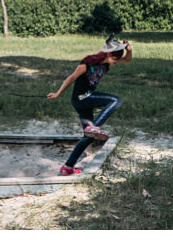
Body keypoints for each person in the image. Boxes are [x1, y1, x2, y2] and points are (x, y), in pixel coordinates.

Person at [47, 36, 132, 175]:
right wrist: (58, 93)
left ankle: (67, 167)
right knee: (116, 100)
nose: (116, 62)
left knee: (89, 136)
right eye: (115, 59)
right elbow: (72, 77)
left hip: (84, 99)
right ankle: (95, 127)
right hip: (81, 99)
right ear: (109, 54)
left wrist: (129, 50)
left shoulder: (106, 62)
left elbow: (127, 59)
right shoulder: (87, 63)